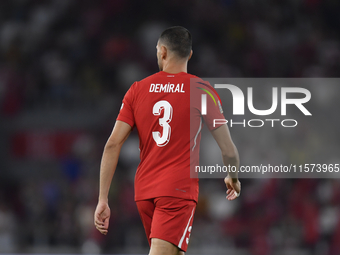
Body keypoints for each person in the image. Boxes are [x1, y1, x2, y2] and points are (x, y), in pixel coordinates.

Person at [94, 26, 241, 255]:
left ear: (162, 51)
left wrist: (103, 198)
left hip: (144, 191)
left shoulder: (137, 89)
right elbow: (228, 149)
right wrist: (233, 175)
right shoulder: (202, 90)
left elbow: (112, 144)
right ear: (189, 55)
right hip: (177, 190)